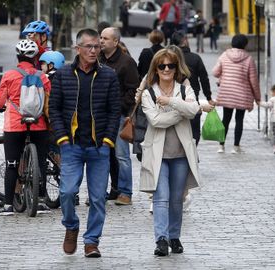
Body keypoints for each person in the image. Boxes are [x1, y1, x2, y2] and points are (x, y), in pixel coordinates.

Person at [49, 28, 120, 258]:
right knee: (67, 192)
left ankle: (92, 241)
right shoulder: (62, 74)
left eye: (97, 46)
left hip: (99, 147)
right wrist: (62, 138)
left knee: (98, 198)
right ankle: (71, 226)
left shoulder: (108, 75)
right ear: (77, 48)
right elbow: (55, 109)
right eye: (88, 46)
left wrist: (108, 140)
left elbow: (114, 110)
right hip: (72, 146)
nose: (93, 50)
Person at [139, 47, 212, 256]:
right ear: (156, 68)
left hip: (181, 153)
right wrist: (182, 112)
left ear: (176, 66)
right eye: (162, 65)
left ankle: (174, 236)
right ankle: (161, 239)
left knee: (177, 198)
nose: (167, 69)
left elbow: (194, 109)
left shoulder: (184, 88)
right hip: (158, 153)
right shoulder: (148, 92)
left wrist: (171, 102)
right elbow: (156, 120)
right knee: (161, 197)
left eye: (171, 65)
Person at [0, 40, 51, 215]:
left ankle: (8, 204)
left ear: (18, 56)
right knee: (41, 163)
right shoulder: (43, 77)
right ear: (35, 57)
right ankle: (39, 201)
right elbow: (48, 101)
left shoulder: (9, 75)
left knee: (12, 164)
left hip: (15, 125)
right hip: (38, 125)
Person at [99, 27, 139, 205]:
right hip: (99, 116)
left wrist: (118, 106)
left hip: (119, 115)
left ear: (115, 42)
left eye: (105, 38)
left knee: (121, 156)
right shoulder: (96, 60)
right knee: (101, 155)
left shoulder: (127, 62)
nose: (101, 41)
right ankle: (101, 191)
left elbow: (133, 90)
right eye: (100, 37)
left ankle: (125, 192)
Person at [212, 34, 261, 154]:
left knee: (226, 119)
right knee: (239, 120)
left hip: (227, 92)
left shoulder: (224, 55)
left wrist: (223, 75)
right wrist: (257, 97)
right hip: (242, 95)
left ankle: (221, 146)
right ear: (245, 45)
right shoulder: (249, 59)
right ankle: (236, 147)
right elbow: (253, 80)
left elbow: (215, 72)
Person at [170, 31, 214, 145]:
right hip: (193, 99)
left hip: (173, 101)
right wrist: (208, 97)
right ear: (185, 40)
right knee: (194, 133)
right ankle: (191, 152)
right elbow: (204, 78)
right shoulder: (195, 58)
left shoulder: (169, 59)